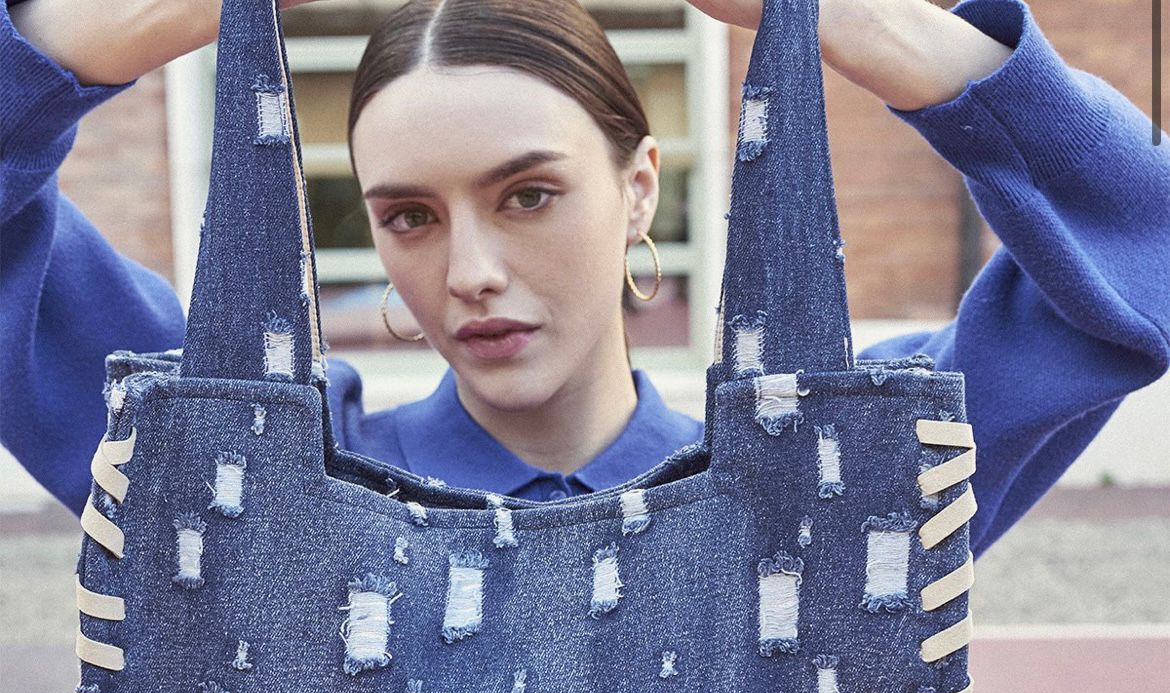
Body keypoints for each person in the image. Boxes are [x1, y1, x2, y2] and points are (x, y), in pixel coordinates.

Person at [2, 0, 1167, 561]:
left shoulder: (835, 475)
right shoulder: (253, 477)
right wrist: (67, 39)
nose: (469, 273)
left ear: (639, 187)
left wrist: (875, 27)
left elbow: (1145, 254)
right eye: (409, 216)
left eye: (527, 194)